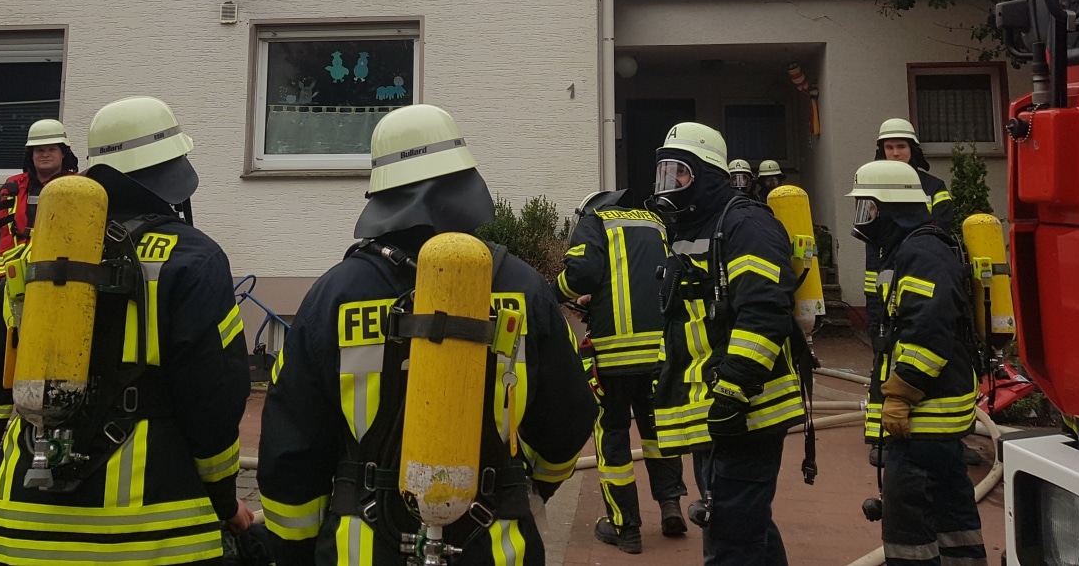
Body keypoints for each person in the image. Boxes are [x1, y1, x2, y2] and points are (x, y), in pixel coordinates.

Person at [257, 104, 597, 566]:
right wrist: (522, 486)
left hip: (363, 551)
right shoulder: (524, 288)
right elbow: (570, 417)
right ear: (465, 184)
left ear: (382, 192)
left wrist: (294, 546)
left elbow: (291, 443)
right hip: (495, 548)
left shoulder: (334, 296)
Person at [0, 96, 252, 565]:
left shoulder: (36, 253)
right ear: (173, 171)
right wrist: (224, 498)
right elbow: (215, 394)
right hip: (151, 527)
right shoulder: (192, 257)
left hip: (16, 522)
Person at [651, 123, 803, 566]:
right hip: (714, 411)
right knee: (746, 528)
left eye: (678, 173)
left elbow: (765, 311)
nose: (668, 183)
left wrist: (734, 390)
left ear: (706, 174)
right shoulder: (691, 228)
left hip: (748, 412)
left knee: (731, 540)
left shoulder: (746, 224)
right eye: (663, 173)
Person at [848, 160, 984, 566]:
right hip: (934, 416)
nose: (865, 218)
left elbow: (927, 332)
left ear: (892, 209)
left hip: (923, 416)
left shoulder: (920, 253)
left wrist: (901, 394)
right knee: (952, 517)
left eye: (869, 208)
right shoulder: (914, 249)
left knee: (909, 528)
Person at [556, 190, 690, 553]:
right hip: (660, 352)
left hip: (614, 356)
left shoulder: (595, 222)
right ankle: (671, 505)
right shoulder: (655, 223)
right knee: (658, 431)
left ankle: (625, 526)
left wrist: (554, 291)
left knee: (612, 436)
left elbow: (582, 274)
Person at [0, 118, 78, 464]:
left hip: (60, 291)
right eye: (38, 150)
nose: (44, 154)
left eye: (51, 149)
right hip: (10, 290)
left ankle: (54, 435)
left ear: (63, 153)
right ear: (29, 155)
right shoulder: (10, 190)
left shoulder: (79, 189)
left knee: (56, 363)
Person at [863, 120, 955, 345]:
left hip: (924, 277)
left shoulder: (934, 187)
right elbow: (872, 246)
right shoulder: (872, 190)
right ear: (882, 151)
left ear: (912, 149)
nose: (895, 153)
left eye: (901, 147)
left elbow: (942, 232)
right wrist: (874, 307)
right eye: (889, 147)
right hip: (885, 280)